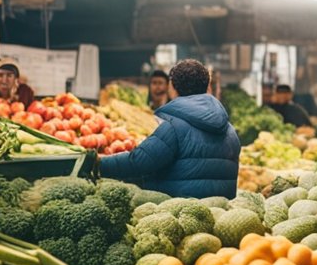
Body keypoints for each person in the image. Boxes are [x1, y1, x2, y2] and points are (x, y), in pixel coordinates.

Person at [99, 59, 240, 198]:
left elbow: (139, 162)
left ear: (172, 87)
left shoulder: (174, 128)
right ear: (206, 86)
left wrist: (98, 164)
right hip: (220, 214)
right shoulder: (230, 131)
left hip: (180, 214)